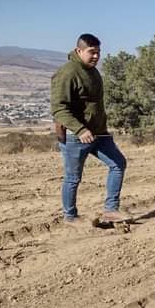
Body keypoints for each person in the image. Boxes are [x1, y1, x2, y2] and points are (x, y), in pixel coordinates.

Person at [51, 33, 130, 224]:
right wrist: (79, 130)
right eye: (91, 52)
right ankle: (70, 217)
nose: (96, 56)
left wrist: (100, 127)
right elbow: (59, 109)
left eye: (98, 52)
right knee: (73, 178)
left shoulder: (93, 71)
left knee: (118, 163)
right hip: (75, 136)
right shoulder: (68, 73)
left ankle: (111, 210)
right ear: (79, 51)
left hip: (99, 133)